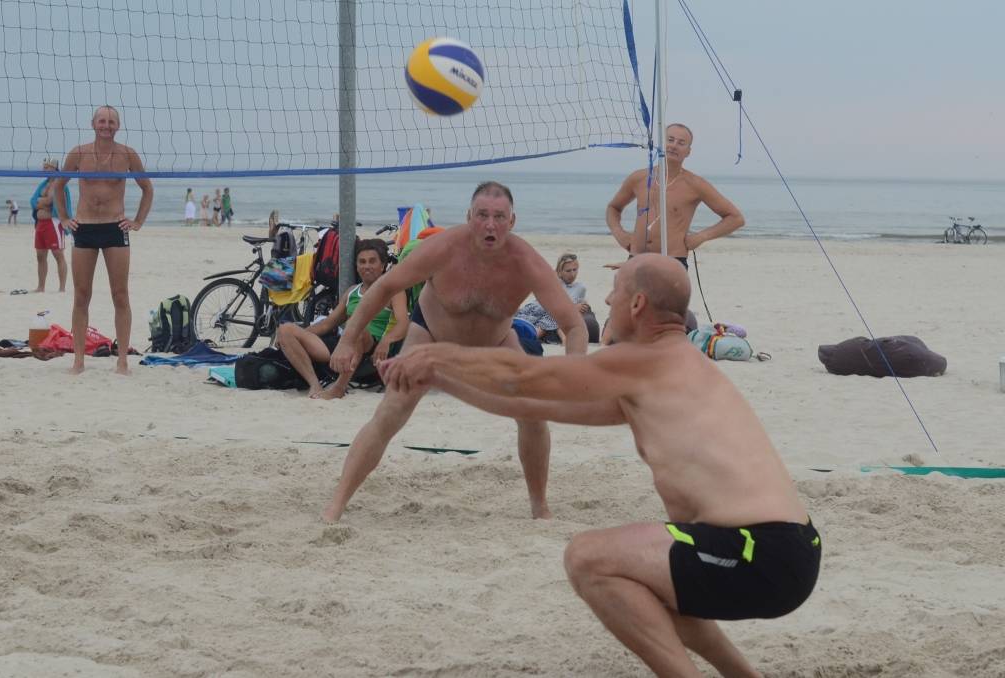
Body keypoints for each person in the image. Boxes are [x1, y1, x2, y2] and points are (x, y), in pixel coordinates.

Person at [381, 254, 821, 677]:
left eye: (615, 290)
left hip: (759, 549)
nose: (608, 300)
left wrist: (438, 354)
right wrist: (440, 379)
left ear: (637, 303)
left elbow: (524, 375)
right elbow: (529, 403)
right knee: (645, 585)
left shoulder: (647, 360)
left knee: (589, 558)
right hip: (784, 548)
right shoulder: (669, 368)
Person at [322, 181, 588, 523]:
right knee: (391, 411)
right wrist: (348, 339)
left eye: (499, 217)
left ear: (512, 221)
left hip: (495, 343)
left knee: (533, 413)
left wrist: (575, 370)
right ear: (468, 216)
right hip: (431, 336)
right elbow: (386, 286)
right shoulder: (443, 248)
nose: (490, 224)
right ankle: (336, 504)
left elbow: (574, 325)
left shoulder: (526, 262)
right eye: (482, 215)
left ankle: (540, 506)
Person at [53, 105, 154, 375]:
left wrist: (138, 221)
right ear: (93, 124)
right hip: (84, 227)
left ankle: (122, 361)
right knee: (81, 295)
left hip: (115, 227)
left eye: (111, 121)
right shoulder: (79, 153)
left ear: (117, 126)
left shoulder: (127, 154)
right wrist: (64, 218)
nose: (106, 125)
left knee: (120, 294)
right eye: (102, 121)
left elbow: (147, 188)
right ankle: (78, 360)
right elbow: (58, 186)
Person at [276, 239, 408, 399]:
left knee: (357, 330)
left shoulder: (392, 291)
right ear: (356, 266)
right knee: (285, 329)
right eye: (362, 262)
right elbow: (327, 324)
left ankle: (339, 388)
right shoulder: (352, 292)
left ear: (382, 265)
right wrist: (299, 335)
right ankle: (314, 384)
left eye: (372, 261)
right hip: (342, 346)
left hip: (370, 348)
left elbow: (403, 323)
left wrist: (386, 341)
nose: (367, 266)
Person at [606, 123, 745, 269]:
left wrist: (701, 236)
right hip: (636, 258)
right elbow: (613, 207)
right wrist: (619, 233)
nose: (674, 146)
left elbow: (736, 218)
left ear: (688, 152)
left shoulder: (695, 184)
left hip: (673, 261)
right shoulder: (639, 178)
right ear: (661, 143)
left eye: (681, 143)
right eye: (670, 140)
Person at [516, 252, 599, 345]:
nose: (572, 274)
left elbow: (576, 304)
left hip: (554, 314)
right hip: (538, 310)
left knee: (556, 315)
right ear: (560, 271)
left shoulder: (580, 288)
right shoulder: (553, 281)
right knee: (553, 314)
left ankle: (532, 339)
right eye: (568, 271)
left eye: (575, 270)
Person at [30, 158, 73, 293]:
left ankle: (62, 288)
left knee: (58, 254)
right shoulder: (43, 184)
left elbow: (51, 202)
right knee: (40, 256)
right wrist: (44, 202)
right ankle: (41, 287)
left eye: (46, 167)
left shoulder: (60, 184)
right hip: (40, 224)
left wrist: (43, 202)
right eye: (43, 167)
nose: (43, 169)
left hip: (54, 223)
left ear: (54, 168)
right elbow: (33, 201)